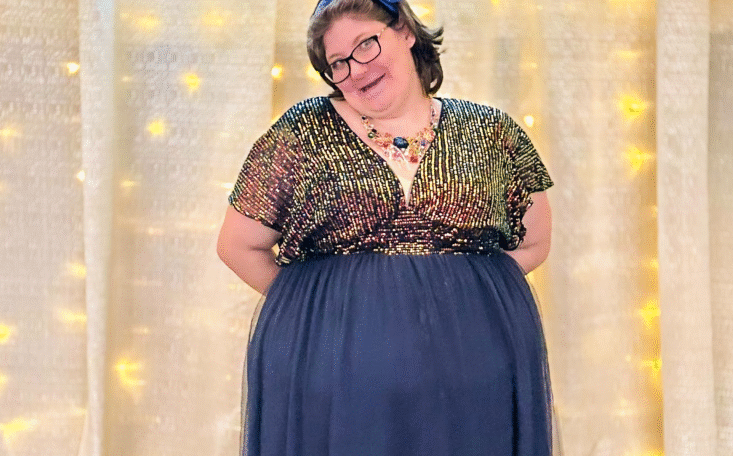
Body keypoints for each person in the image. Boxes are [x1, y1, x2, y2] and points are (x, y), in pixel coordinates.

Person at [217, 0, 554, 454]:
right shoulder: (301, 133)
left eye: (366, 45)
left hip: (471, 386)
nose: (356, 70)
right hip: (338, 387)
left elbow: (535, 241)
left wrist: (467, 303)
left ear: (405, 32)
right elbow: (237, 246)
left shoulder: (493, 131)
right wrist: (322, 317)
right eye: (338, 63)